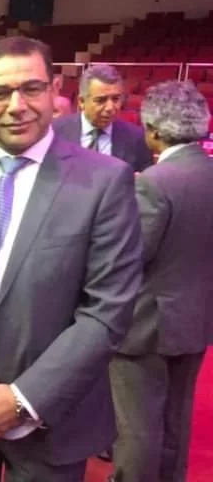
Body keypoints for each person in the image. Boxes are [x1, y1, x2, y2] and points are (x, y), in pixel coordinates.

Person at [0, 36, 143, 481]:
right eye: (0, 93)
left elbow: (108, 309)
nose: (17, 106)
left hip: (53, 418)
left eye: (31, 89)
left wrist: (23, 398)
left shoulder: (106, 181)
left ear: (54, 91)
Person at [109, 80, 213, 482]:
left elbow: (129, 256)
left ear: (152, 130)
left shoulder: (154, 182)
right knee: (175, 421)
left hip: (146, 325)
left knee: (137, 428)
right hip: (196, 318)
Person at [53, 64, 153, 172]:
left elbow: (146, 178)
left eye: (115, 99)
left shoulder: (137, 138)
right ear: (81, 101)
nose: (110, 107)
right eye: (101, 100)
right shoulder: (55, 131)